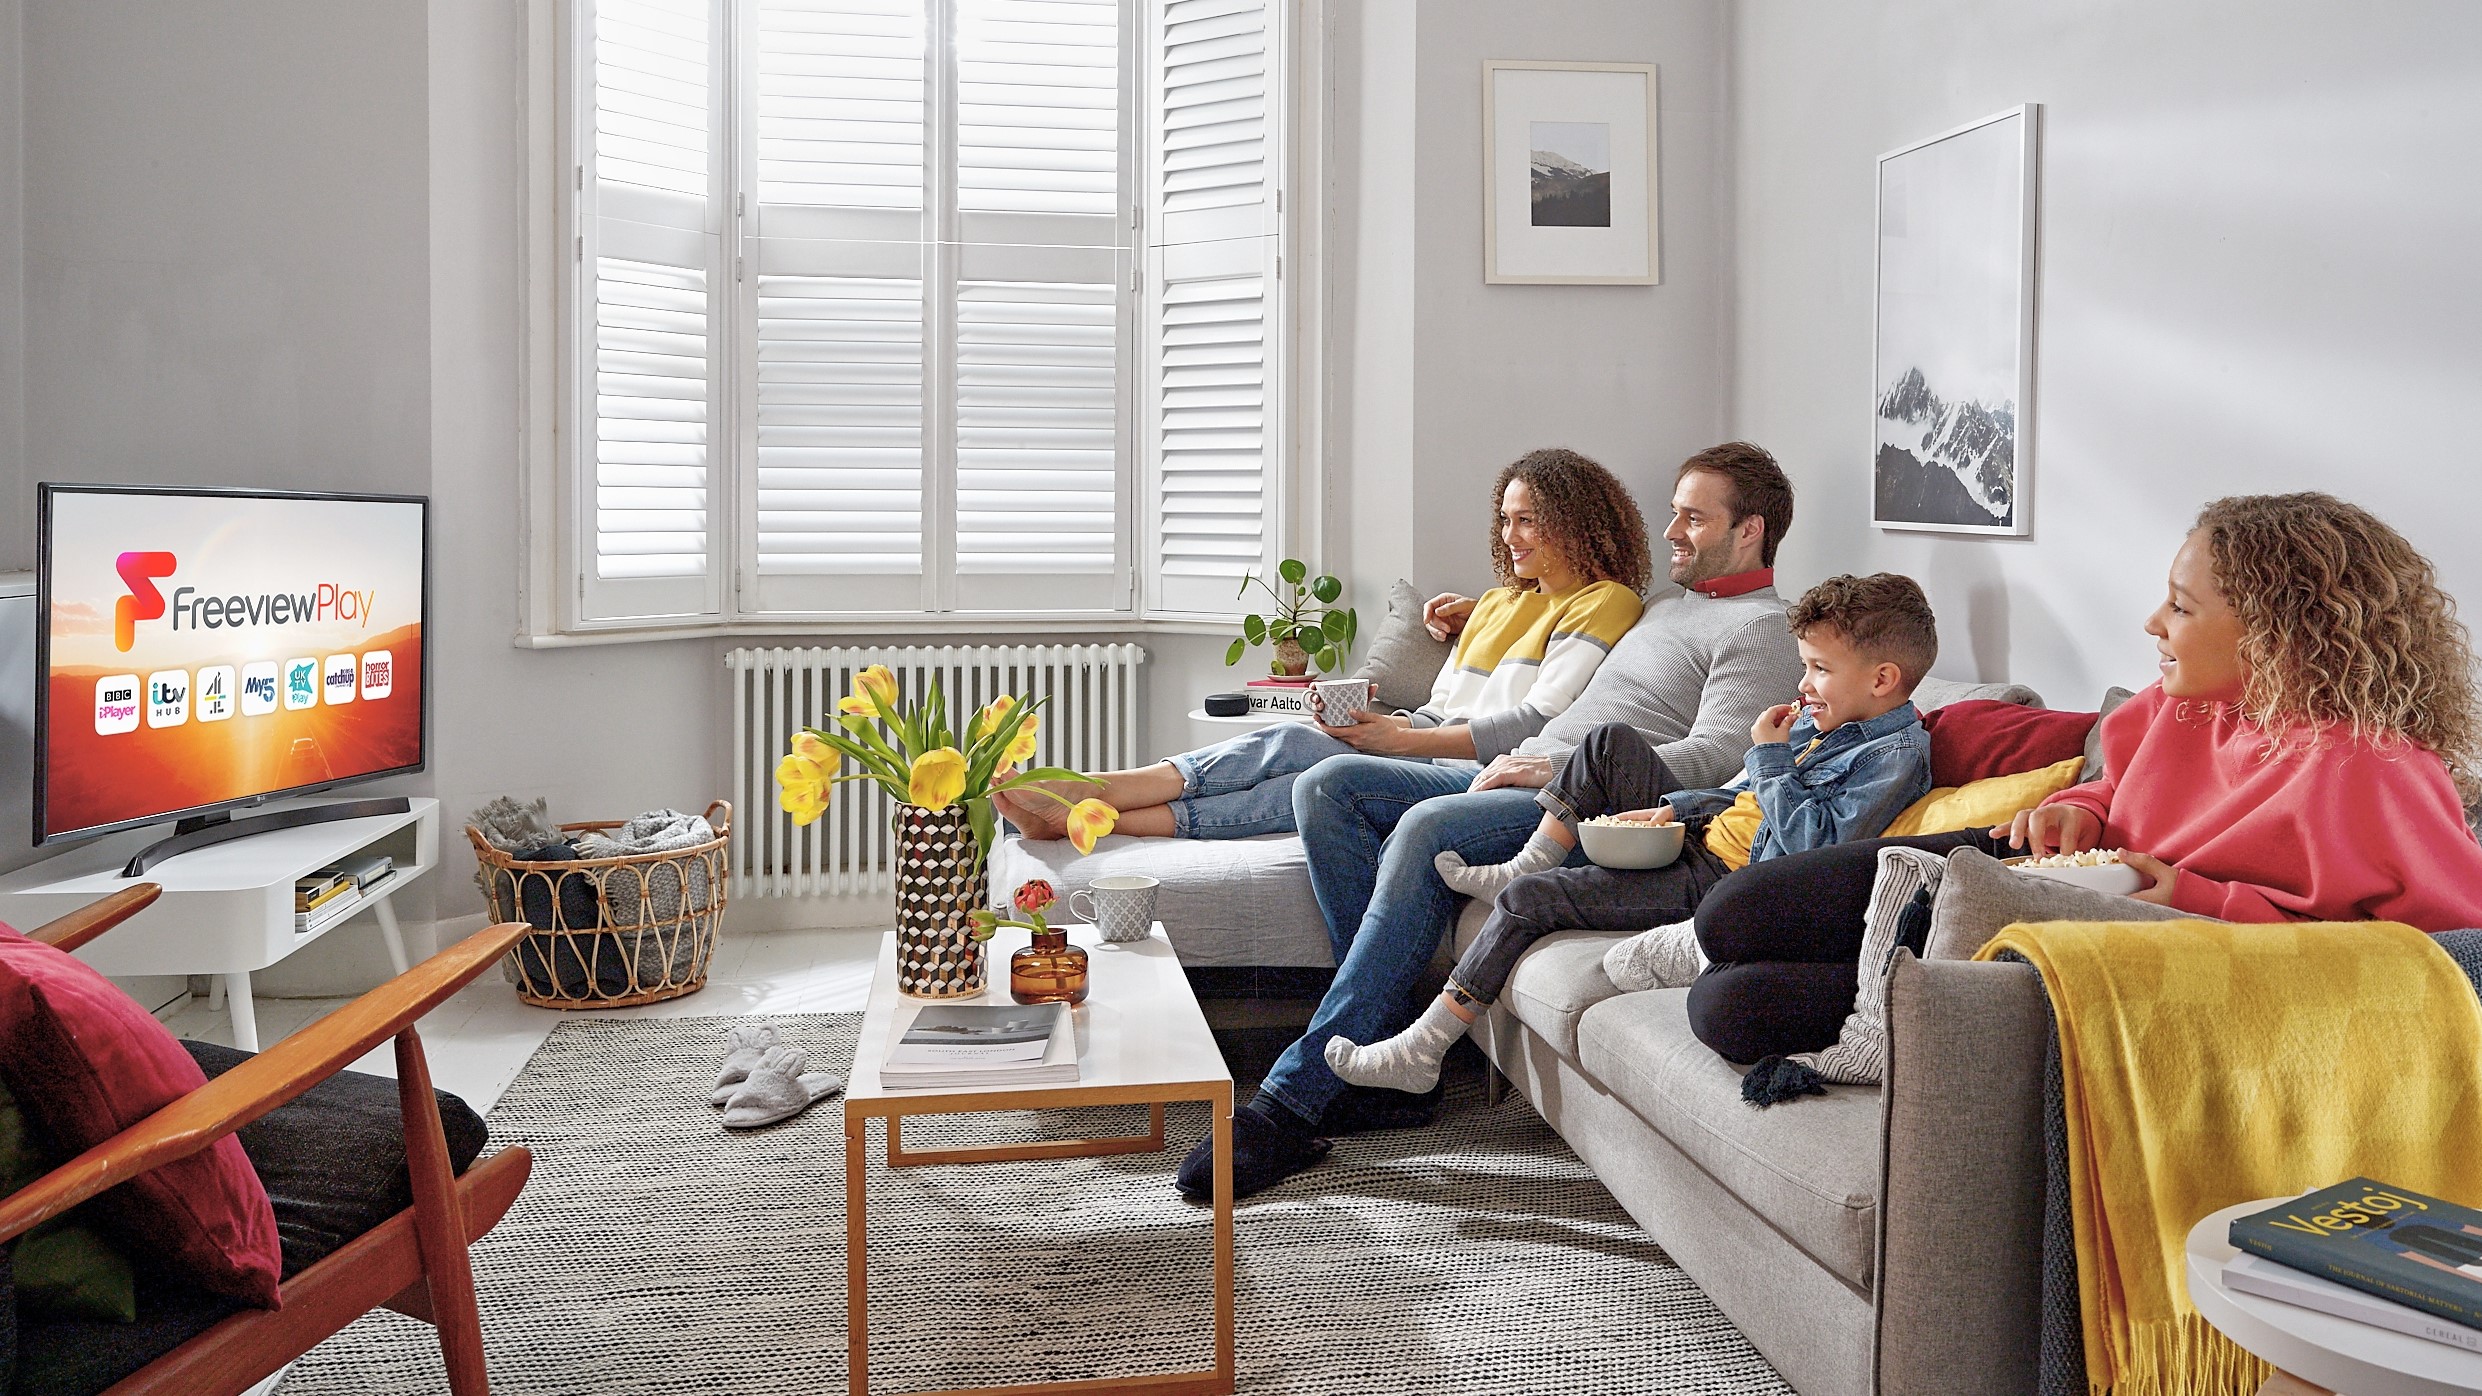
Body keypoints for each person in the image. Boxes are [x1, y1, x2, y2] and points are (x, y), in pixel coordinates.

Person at [1172, 441, 1807, 1201]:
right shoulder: (1673, 607)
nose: (1672, 530)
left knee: (1426, 826)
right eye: (1672, 512)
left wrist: (1560, 771)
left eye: (1693, 517)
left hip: (1586, 808)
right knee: (1329, 785)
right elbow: (1575, 656)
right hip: (1525, 775)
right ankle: (1380, 1051)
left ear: (1750, 531)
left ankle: (1291, 1100)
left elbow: (1714, 759)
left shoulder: (1765, 629)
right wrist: (1487, 614)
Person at [1652, 491, 2482, 1069]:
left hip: (2109, 949)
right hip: (2042, 868)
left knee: (1727, 1007)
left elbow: (2451, 960)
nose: (2153, 624)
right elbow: (2113, 784)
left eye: (2182, 608)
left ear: (2274, 632)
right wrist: (2079, 806)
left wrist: (2204, 899)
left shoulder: (2370, 770)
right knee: (1735, 912)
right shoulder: (2180, 705)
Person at [1323, 573, 1940, 1096]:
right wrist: (1673, 808)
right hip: (1698, 837)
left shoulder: (1894, 756)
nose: (1803, 684)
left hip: (1725, 884)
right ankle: (1531, 857)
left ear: (1883, 678)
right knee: (1608, 743)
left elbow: (1813, 848)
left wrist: (1772, 757)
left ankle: (1423, 1048)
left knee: (1529, 903)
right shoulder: (1832, 721)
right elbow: (1742, 799)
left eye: (1818, 669)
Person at [998, 448, 1649, 840]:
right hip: (1421, 743)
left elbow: (1535, 720)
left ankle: (1095, 791)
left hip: (1464, 769)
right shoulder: (1503, 601)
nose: (1510, 536)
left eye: (1527, 520)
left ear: (1575, 521)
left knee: (1296, 750)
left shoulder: (1607, 601)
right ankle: (1082, 817)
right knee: (1300, 752)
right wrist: (1470, 623)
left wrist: (1399, 740)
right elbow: (1470, 678)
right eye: (1505, 520)